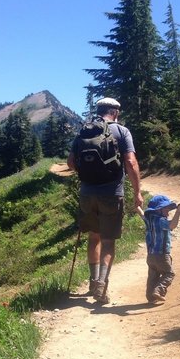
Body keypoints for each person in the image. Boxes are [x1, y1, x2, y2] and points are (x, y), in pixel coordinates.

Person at [67, 97, 143, 304]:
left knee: (94, 237)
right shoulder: (121, 131)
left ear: (98, 110)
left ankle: (92, 281)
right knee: (108, 242)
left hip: (86, 194)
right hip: (111, 194)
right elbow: (131, 162)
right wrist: (137, 192)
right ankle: (101, 285)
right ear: (115, 112)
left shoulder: (84, 131)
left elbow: (71, 163)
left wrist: (89, 171)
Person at [142, 195, 180, 303]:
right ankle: (158, 290)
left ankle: (151, 297)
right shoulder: (161, 221)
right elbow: (172, 225)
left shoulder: (149, 220)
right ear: (159, 209)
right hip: (162, 254)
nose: (168, 212)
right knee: (169, 274)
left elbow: (141, 214)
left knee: (153, 276)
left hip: (150, 256)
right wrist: (178, 212)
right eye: (166, 209)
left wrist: (137, 206)